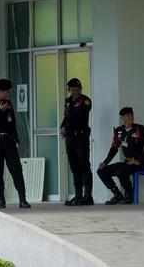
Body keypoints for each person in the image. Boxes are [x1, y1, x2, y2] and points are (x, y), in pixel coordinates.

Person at [0, 79, 31, 209]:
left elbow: (13, 122)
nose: (8, 94)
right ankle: (1, 200)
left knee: (16, 170)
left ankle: (23, 199)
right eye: (7, 91)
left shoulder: (8, 103)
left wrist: (17, 139)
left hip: (9, 141)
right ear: (0, 91)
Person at [97, 107, 144, 205]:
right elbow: (114, 148)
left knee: (120, 171)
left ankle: (130, 194)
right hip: (127, 163)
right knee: (101, 170)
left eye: (132, 115)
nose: (130, 117)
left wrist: (139, 160)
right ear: (122, 117)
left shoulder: (140, 129)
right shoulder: (119, 131)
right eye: (127, 115)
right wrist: (105, 162)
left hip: (138, 163)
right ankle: (117, 194)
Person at [60, 78, 94, 206]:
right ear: (69, 90)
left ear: (81, 89)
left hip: (81, 138)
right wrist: (62, 128)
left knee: (84, 166)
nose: (76, 92)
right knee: (74, 168)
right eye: (73, 90)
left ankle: (87, 196)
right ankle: (78, 196)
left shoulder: (85, 101)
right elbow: (67, 118)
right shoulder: (68, 101)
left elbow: (80, 119)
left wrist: (66, 128)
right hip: (70, 139)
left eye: (78, 89)